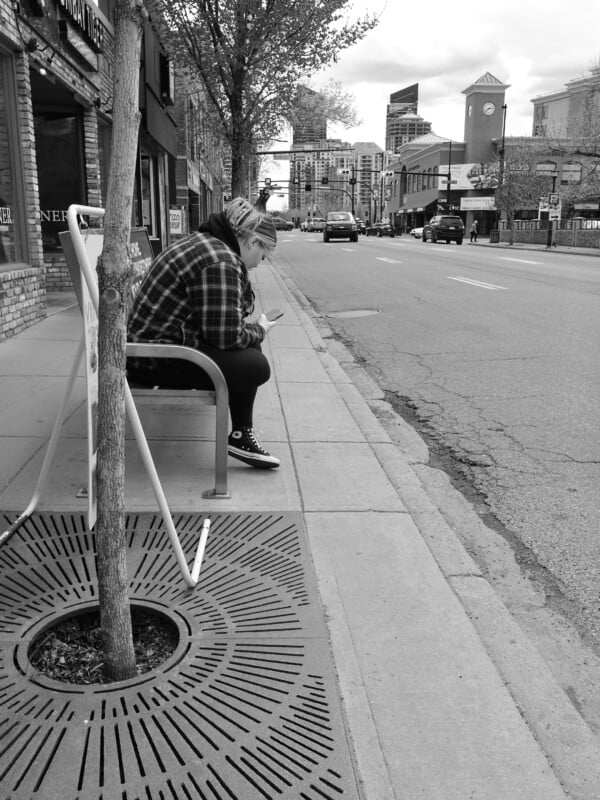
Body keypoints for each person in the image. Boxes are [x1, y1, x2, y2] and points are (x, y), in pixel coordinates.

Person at [127, 197, 280, 469]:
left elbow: (221, 324)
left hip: (160, 344)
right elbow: (227, 336)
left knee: (249, 351)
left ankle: (241, 434)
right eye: (263, 254)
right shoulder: (220, 261)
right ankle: (241, 433)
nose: (260, 262)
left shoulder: (208, 244)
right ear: (252, 241)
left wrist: (250, 331)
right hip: (152, 358)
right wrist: (260, 329)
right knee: (255, 366)